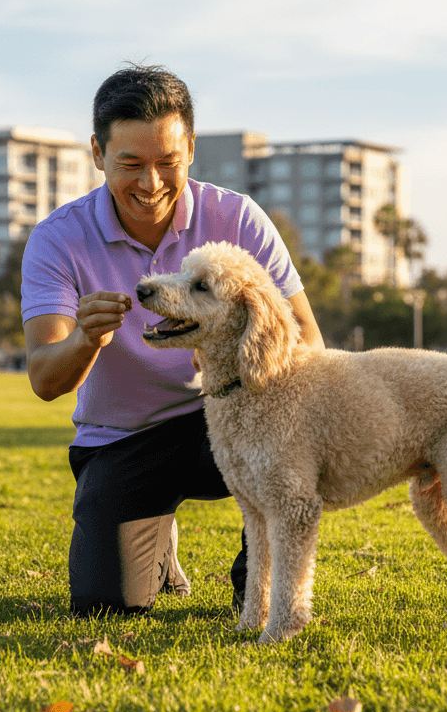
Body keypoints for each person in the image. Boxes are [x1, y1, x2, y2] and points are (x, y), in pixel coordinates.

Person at [21, 64, 324, 616]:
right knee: (105, 604)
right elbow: (45, 379)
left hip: (236, 413)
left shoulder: (236, 218)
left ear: (189, 151)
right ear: (97, 152)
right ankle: (158, 545)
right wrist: (86, 338)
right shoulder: (57, 239)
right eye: (130, 164)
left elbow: (306, 342)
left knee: (290, 438)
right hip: (125, 437)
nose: (151, 183)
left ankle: (252, 578)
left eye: (168, 162)